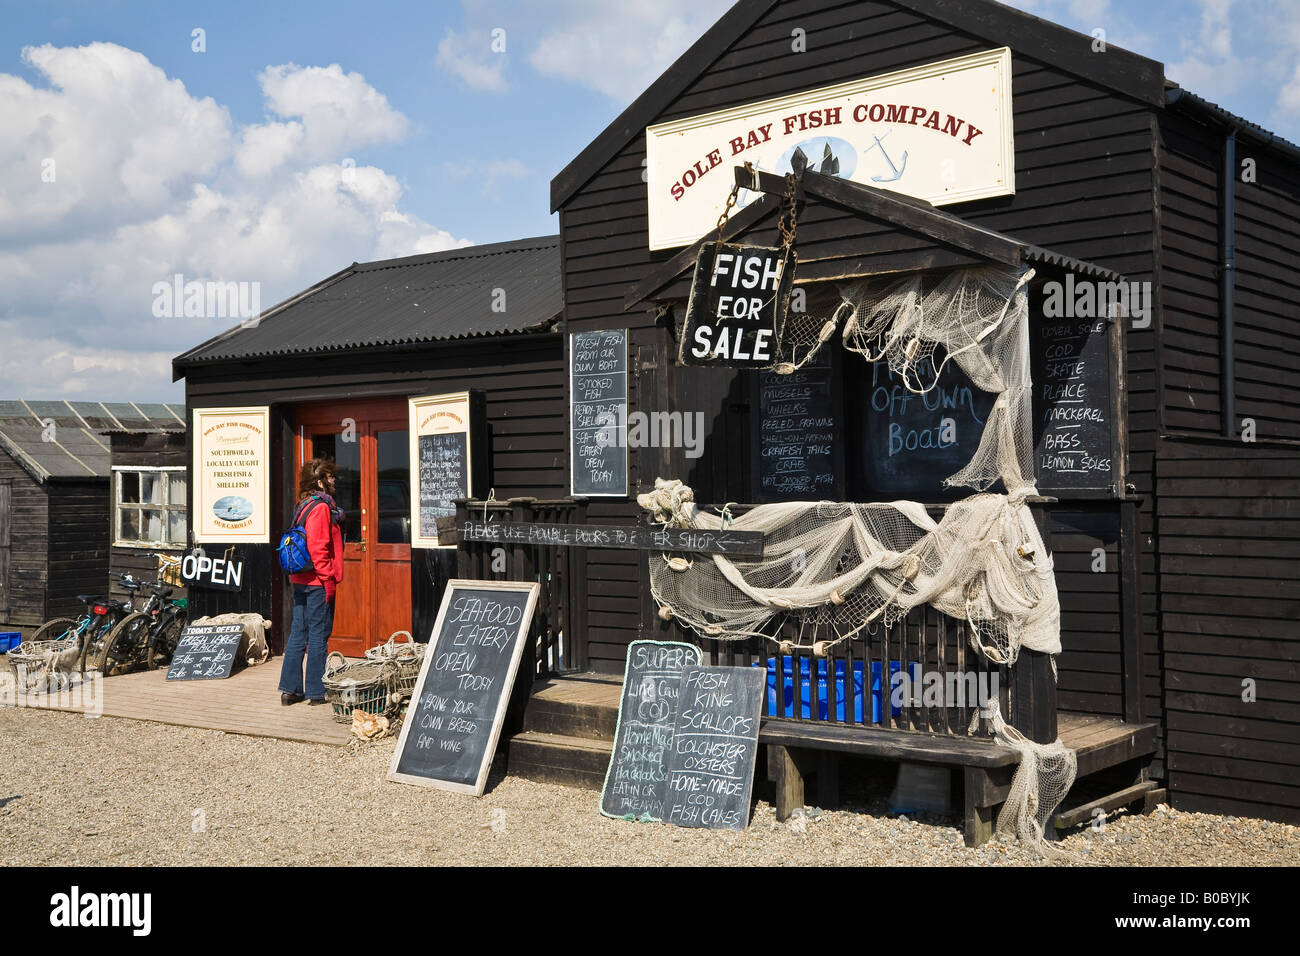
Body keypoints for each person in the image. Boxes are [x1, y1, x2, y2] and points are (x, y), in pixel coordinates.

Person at [279, 457, 345, 705]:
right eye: (329, 477)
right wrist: (328, 580)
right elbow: (319, 548)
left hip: (301, 578)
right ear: (319, 481)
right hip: (317, 580)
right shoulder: (320, 508)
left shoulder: (303, 504)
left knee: (298, 632)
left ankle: (290, 690)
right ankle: (316, 692)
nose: (333, 480)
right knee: (318, 634)